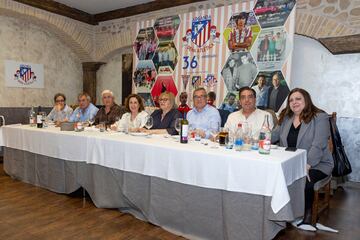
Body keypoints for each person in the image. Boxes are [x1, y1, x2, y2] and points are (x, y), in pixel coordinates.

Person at [271, 88, 334, 231]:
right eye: (291, 100)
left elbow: (318, 146)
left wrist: (307, 164)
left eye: (298, 99)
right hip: (291, 163)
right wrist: (262, 135)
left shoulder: (320, 117)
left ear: (306, 100)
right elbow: (273, 137)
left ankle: (308, 217)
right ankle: (283, 213)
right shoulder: (286, 117)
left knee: (305, 180)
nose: (294, 102)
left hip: (317, 164)